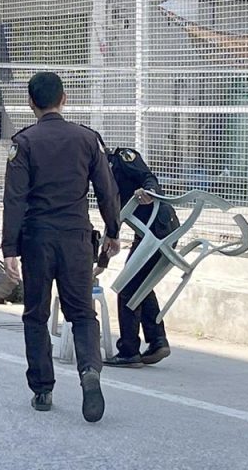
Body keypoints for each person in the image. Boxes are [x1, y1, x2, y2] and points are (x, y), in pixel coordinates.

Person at [2, 71, 121, 423]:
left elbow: (14, 199)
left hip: (37, 239)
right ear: (64, 99)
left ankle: (42, 389)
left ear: (30, 103)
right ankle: (89, 371)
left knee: (36, 314)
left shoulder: (24, 143)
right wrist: (113, 231)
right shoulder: (88, 139)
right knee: (82, 313)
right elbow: (107, 190)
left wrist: (9, 248)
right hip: (76, 239)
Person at [102, 147, 180, 368]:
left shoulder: (122, 158)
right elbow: (112, 219)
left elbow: (148, 177)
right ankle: (157, 341)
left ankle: (129, 351)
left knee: (128, 286)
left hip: (159, 230)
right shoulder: (100, 176)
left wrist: (148, 192)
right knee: (140, 285)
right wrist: (102, 262)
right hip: (146, 235)